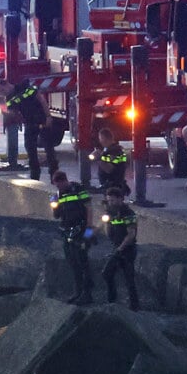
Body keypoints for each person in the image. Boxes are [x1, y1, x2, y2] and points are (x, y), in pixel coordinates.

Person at [52, 171, 95, 305]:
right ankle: (78, 291)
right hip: (67, 231)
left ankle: (87, 293)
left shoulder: (78, 189)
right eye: (56, 186)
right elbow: (56, 216)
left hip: (83, 229)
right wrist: (54, 205)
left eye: (59, 185)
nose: (58, 188)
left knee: (83, 261)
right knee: (72, 261)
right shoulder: (57, 195)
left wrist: (89, 228)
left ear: (65, 181)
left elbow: (89, 208)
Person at [100, 186, 140, 310]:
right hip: (116, 248)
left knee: (129, 279)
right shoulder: (110, 213)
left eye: (112, 200)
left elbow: (131, 234)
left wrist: (120, 249)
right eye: (109, 201)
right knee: (107, 273)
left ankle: (134, 306)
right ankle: (111, 300)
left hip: (127, 250)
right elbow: (103, 228)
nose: (110, 203)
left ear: (120, 199)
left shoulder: (128, 213)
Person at [3, 78, 50, 179]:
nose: (3, 93)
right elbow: (14, 113)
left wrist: (48, 116)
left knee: (48, 147)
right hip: (30, 122)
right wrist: (6, 113)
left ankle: (52, 171)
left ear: (6, 84)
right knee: (29, 146)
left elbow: (41, 100)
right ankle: (35, 172)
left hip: (41, 118)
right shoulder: (9, 98)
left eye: (2, 90)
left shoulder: (24, 87)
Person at [93, 125, 129, 195]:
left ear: (108, 139)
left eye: (102, 139)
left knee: (114, 202)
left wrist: (98, 158)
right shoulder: (107, 150)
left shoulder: (116, 151)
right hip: (108, 184)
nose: (100, 142)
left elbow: (109, 169)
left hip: (114, 185)